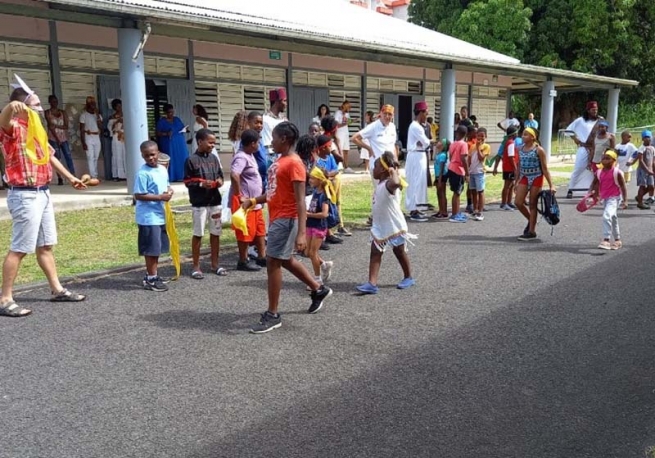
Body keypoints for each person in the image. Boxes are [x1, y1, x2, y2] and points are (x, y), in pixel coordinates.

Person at [0, 83, 87, 317]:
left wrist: (70, 178)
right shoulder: (13, 128)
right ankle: (5, 298)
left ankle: (57, 289)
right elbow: (3, 121)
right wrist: (10, 107)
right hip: (24, 194)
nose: (40, 108)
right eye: (35, 104)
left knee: (46, 245)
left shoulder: (37, 129)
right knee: (19, 248)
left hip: (43, 192)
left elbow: (49, 157)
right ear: (22, 107)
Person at [241, 122, 332, 333]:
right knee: (284, 259)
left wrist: (301, 233)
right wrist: (253, 201)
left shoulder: (294, 164)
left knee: (273, 262)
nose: (270, 141)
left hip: (287, 219)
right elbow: (274, 192)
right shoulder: (279, 161)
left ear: (284, 139)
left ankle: (272, 314)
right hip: (277, 217)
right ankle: (318, 290)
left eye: (273, 137)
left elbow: (301, 201)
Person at [356, 151, 415, 294]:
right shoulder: (381, 184)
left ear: (383, 169)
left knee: (399, 251)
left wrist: (393, 171)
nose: (372, 169)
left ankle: (408, 277)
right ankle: (372, 283)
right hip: (381, 226)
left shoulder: (390, 184)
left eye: (375, 166)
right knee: (375, 252)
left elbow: (396, 182)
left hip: (394, 225)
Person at [184, 128, 225, 279]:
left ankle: (215, 264)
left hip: (215, 201)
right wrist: (201, 184)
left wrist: (220, 181)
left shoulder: (214, 158)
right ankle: (196, 266)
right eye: (210, 142)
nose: (212, 145)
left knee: (216, 233)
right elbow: (187, 181)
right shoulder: (191, 160)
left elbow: (220, 175)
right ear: (200, 141)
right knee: (198, 234)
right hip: (199, 203)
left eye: (214, 143)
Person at [134, 140, 174, 292]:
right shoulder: (142, 173)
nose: (151, 158)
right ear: (142, 156)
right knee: (151, 249)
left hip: (160, 214)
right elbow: (138, 195)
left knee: (157, 248)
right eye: (146, 156)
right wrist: (160, 198)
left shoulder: (162, 169)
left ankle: (153, 274)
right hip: (148, 217)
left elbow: (167, 185)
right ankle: (151, 278)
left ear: (158, 153)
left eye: (153, 154)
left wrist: (169, 191)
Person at [230, 129, 267, 271]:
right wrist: (239, 195)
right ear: (252, 143)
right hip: (246, 204)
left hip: (255, 203)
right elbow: (234, 175)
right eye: (258, 142)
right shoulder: (241, 157)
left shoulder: (250, 155)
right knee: (245, 232)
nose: (259, 145)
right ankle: (243, 260)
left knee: (260, 230)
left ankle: (262, 257)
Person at [514, 127, 555, 241]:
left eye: (526, 134)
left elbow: (545, 169)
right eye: (523, 134)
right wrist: (516, 181)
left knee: (532, 204)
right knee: (518, 202)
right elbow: (519, 167)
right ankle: (531, 220)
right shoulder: (520, 149)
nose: (523, 136)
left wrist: (551, 184)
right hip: (524, 176)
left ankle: (532, 231)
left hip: (536, 176)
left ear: (533, 137)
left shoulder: (539, 150)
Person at [589, 150, 627, 250]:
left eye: (608, 158)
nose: (604, 160)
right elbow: (594, 183)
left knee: (606, 216)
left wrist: (625, 200)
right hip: (605, 198)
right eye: (603, 158)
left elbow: (623, 187)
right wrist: (591, 193)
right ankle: (618, 240)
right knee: (613, 218)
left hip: (615, 198)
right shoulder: (599, 172)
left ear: (613, 160)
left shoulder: (617, 173)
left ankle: (606, 240)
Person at [305, 167, 335, 289]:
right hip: (310, 224)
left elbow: (324, 214)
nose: (310, 180)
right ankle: (324, 264)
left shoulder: (324, 195)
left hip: (319, 226)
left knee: (312, 253)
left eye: (312, 178)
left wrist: (308, 214)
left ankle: (317, 280)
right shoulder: (315, 193)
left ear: (319, 179)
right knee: (307, 252)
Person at [566, 101, 602, 198]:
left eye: (596, 110)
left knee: (594, 170)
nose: (595, 112)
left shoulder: (600, 120)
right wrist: (575, 139)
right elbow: (568, 130)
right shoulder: (580, 120)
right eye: (593, 110)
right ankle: (571, 189)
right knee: (578, 168)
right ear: (588, 110)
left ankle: (592, 190)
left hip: (596, 149)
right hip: (584, 148)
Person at [405, 101, 433, 222]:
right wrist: (430, 142)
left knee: (420, 182)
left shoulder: (418, 126)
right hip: (416, 156)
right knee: (415, 182)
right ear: (421, 112)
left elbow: (424, 142)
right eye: (426, 113)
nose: (426, 116)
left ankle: (417, 207)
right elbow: (426, 142)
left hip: (420, 155)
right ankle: (413, 210)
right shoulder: (416, 126)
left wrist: (425, 142)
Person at [316, 134, 346, 243]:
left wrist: (329, 174)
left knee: (329, 210)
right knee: (321, 211)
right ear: (323, 148)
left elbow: (336, 169)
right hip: (320, 189)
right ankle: (320, 237)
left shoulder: (330, 157)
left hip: (330, 187)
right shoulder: (317, 160)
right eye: (329, 146)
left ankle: (329, 233)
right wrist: (327, 175)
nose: (331, 148)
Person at [45, 94, 74, 185]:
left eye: (56, 101)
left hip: (63, 138)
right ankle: (60, 178)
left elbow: (66, 126)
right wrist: (57, 139)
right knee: (57, 158)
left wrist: (56, 126)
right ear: (49, 102)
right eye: (53, 101)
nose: (55, 103)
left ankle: (73, 175)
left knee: (68, 156)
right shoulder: (47, 112)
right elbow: (50, 127)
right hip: (53, 138)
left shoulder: (63, 112)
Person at [156, 103, 188, 182]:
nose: (171, 114)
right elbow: (158, 133)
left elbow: (182, 128)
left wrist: (186, 130)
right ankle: (171, 176)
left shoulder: (177, 119)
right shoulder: (162, 121)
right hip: (168, 143)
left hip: (180, 142)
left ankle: (183, 175)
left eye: (172, 112)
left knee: (182, 157)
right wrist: (166, 133)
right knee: (171, 158)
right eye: (169, 112)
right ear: (165, 113)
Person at [493, 125, 519, 210]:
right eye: (516, 133)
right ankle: (504, 203)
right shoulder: (510, 143)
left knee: (511, 185)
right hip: (509, 168)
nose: (517, 134)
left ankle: (509, 202)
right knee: (507, 185)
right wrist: (515, 168)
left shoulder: (509, 142)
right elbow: (511, 157)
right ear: (513, 134)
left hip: (508, 167)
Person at [447, 125, 470, 223]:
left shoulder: (453, 144)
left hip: (451, 168)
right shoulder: (464, 144)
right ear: (465, 134)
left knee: (457, 192)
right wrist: (467, 173)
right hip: (458, 170)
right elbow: (463, 158)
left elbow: (450, 156)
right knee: (457, 192)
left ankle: (456, 212)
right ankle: (454, 214)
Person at [79, 96, 103, 179]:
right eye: (91, 104)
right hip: (88, 136)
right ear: (88, 105)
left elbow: (101, 127)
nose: (93, 105)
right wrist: (83, 142)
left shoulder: (98, 115)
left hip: (96, 136)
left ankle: (94, 174)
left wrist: (97, 116)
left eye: (94, 104)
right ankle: (93, 176)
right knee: (90, 157)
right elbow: (81, 129)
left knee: (96, 156)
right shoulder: (84, 115)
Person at [469, 127, 490, 221]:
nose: (480, 138)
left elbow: (481, 158)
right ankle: (475, 209)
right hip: (472, 172)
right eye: (478, 136)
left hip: (480, 171)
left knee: (480, 191)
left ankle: (480, 212)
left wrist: (478, 148)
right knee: (473, 191)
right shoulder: (472, 146)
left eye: (482, 136)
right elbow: (469, 158)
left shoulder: (486, 146)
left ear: (486, 137)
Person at [246, 110, 269, 190]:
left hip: (264, 179)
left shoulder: (260, 139)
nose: (259, 125)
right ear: (248, 123)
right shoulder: (248, 140)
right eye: (256, 123)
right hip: (253, 180)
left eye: (261, 123)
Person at [262, 87, 288, 155]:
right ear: (278, 101)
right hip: (269, 155)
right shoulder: (265, 119)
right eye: (284, 101)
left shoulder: (284, 120)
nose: (286, 104)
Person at [635, 130, 655, 210]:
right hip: (642, 170)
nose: (648, 139)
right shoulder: (642, 148)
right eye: (645, 137)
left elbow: (653, 160)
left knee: (651, 186)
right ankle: (640, 203)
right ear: (642, 139)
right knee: (642, 186)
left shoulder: (652, 148)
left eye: (649, 137)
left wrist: (653, 169)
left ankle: (640, 196)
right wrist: (647, 170)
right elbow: (641, 160)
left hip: (650, 170)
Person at [107, 98, 126, 181]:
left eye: (120, 106)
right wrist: (117, 121)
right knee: (116, 155)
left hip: (124, 136)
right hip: (116, 136)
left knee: (125, 154)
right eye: (118, 106)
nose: (119, 108)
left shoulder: (126, 115)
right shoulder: (112, 117)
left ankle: (125, 174)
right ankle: (116, 175)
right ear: (114, 107)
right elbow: (109, 128)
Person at [433, 139, 450, 219]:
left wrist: (439, 179)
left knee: (442, 193)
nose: (437, 142)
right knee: (439, 193)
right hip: (437, 176)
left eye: (440, 142)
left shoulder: (443, 155)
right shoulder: (438, 154)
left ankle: (444, 211)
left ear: (443, 146)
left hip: (442, 176)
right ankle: (440, 210)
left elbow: (442, 168)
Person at [335, 100, 353, 173]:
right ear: (344, 105)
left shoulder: (347, 114)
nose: (349, 108)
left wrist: (351, 121)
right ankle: (339, 166)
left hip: (346, 133)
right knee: (340, 149)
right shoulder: (338, 113)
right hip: (340, 133)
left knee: (346, 150)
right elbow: (336, 124)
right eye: (348, 106)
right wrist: (344, 123)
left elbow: (348, 122)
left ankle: (346, 167)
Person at [464, 125, 478, 214]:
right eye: (475, 132)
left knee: (476, 187)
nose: (476, 133)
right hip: (470, 167)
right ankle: (469, 204)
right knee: (470, 187)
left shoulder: (475, 141)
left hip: (476, 167)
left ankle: (476, 204)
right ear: (469, 133)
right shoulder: (467, 143)